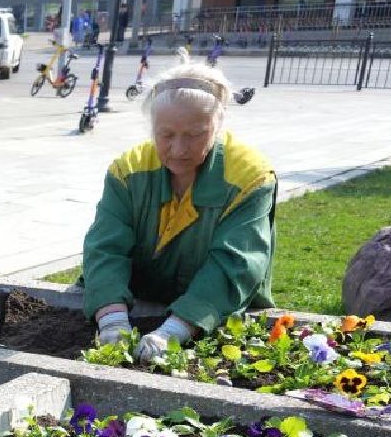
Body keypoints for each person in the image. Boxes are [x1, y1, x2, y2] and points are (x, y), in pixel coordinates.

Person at [82, 50, 277, 362]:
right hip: (138, 300)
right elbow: (105, 248)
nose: (178, 149)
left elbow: (234, 265)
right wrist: (112, 321)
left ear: (218, 125)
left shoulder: (249, 177)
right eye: (166, 135)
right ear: (152, 128)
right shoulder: (128, 169)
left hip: (212, 312)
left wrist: (173, 331)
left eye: (195, 135)